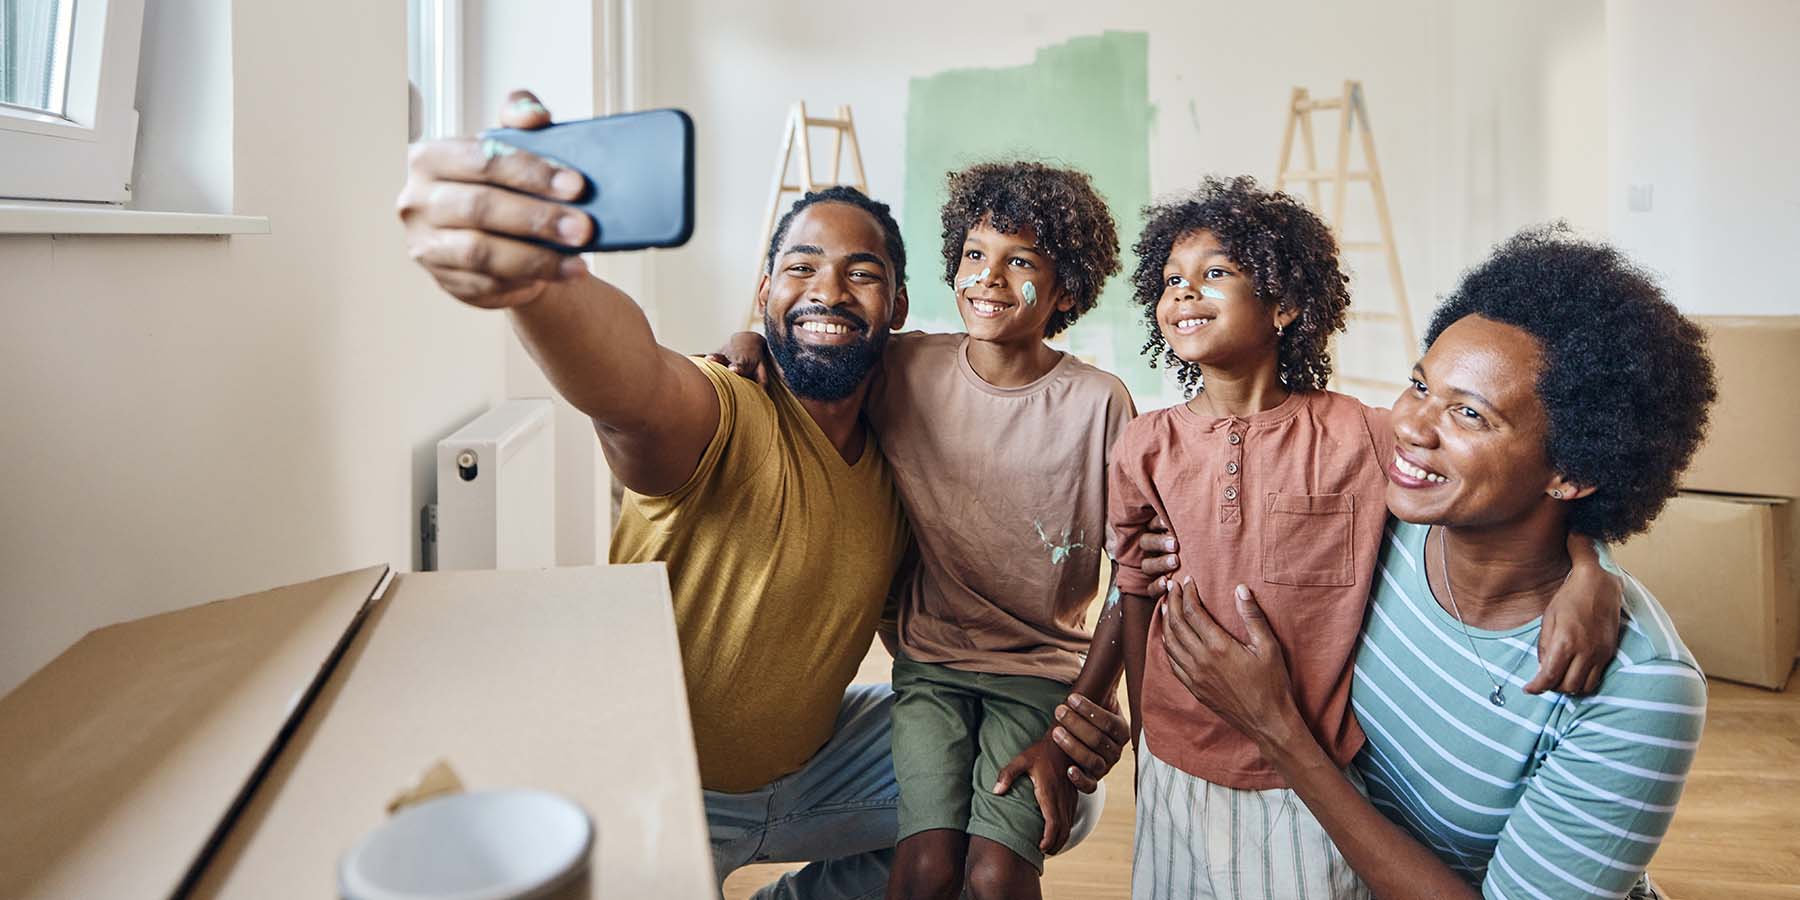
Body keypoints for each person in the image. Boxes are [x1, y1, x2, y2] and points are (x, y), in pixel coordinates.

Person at [395, 93, 1131, 900]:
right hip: (661, 785)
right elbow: (630, 387)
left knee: (1062, 799)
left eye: (863, 273)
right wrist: (539, 285)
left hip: (815, 769)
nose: (829, 290)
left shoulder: (907, 423)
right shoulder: (719, 410)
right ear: (765, 293)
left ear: (898, 311)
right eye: (801, 268)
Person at [1144, 225, 1716, 899]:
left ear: (1574, 471)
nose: (1411, 427)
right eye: (1419, 385)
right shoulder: (1379, 518)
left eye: (1469, 414)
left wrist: (1277, 731)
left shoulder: (1640, 689)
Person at [715, 160, 1139, 900]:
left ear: (1065, 288)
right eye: (976, 255)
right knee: (924, 871)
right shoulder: (905, 367)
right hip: (931, 671)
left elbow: (1132, 576)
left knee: (997, 874)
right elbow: (817, 349)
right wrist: (747, 339)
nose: (991, 278)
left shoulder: (1098, 403)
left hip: (1039, 674)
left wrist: (1087, 704)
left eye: (1022, 262)